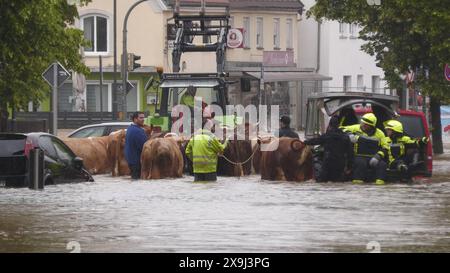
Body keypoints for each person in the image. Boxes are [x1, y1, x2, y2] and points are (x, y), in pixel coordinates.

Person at [341, 113, 389, 185]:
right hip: (358, 156)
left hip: (373, 157)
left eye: (365, 124)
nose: (362, 125)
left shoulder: (380, 133)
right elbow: (341, 128)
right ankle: (358, 185)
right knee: (360, 164)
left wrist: (378, 156)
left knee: (382, 165)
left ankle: (379, 186)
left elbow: (386, 147)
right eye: (362, 123)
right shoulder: (356, 127)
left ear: (371, 126)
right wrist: (349, 134)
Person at [304, 115, 353, 182]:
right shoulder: (345, 137)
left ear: (330, 125)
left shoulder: (326, 136)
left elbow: (315, 141)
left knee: (323, 182)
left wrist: (305, 142)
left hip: (328, 162)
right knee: (338, 182)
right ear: (339, 125)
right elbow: (350, 153)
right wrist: (349, 167)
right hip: (340, 164)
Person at [185, 108, 228, 182]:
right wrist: (226, 141)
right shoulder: (212, 138)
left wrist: (194, 159)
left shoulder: (194, 138)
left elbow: (187, 152)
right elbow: (221, 149)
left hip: (197, 170)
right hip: (210, 170)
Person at [125, 112, 148, 180]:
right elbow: (145, 147)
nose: (143, 119)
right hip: (137, 161)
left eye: (143, 117)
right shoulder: (138, 131)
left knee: (134, 180)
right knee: (138, 181)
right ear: (135, 119)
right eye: (141, 118)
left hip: (130, 160)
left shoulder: (130, 128)